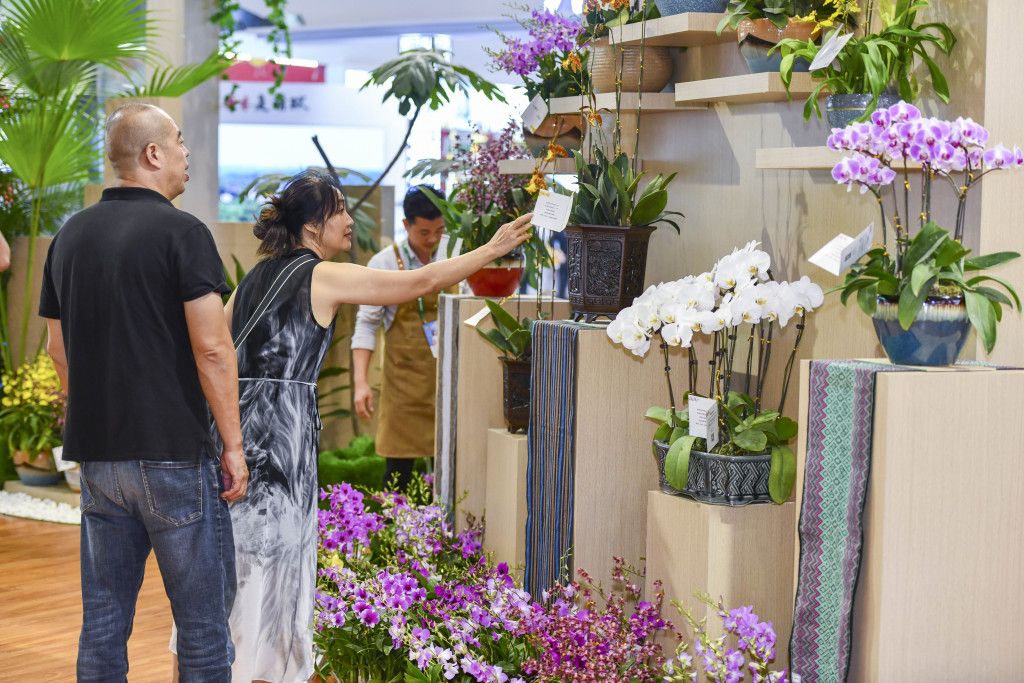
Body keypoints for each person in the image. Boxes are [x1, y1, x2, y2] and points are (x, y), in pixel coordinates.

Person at [214, 169, 531, 682]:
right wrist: (491, 249)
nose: (348, 219)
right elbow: (420, 282)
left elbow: (216, 348)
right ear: (312, 227)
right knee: (279, 570)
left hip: (236, 431)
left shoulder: (255, 276)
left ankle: (224, 666)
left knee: (237, 565)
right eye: (338, 210)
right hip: (282, 437)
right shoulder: (321, 273)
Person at [39, 103, 247, 681]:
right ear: (153, 154)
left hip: (99, 460)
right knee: (203, 629)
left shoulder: (70, 235)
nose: (187, 152)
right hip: (174, 453)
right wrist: (233, 446)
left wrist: (92, 416)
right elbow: (213, 349)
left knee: (103, 626)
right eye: (179, 140)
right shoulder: (185, 233)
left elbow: (57, 350)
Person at [351, 185, 450, 489]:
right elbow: (367, 325)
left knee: (450, 469)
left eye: (439, 230)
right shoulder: (383, 264)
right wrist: (361, 382)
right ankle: (394, 519)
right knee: (398, 474)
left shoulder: (454, 254)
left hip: (447, 380)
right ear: (406, 225)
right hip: (403, 384)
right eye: (424, 232)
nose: (432, 239)